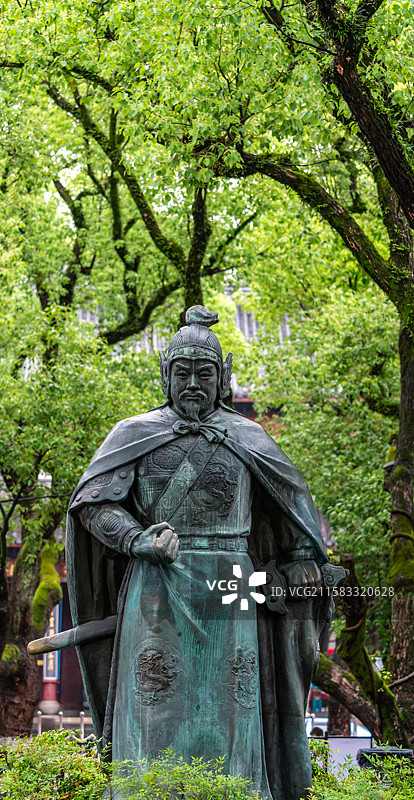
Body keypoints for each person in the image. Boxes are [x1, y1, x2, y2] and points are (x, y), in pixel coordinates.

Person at [66, 306, 332, 800]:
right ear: (165, 376)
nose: (193, 383)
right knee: (154, 702)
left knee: (234, 705)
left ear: (223, 377)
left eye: (204, 373)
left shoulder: (249, 438)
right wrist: (134, 538)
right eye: (182, 372)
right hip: (157, 587)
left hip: (233, 582)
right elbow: (94, 504)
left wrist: (301, 556)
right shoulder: (132, 434)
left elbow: (289, 508)